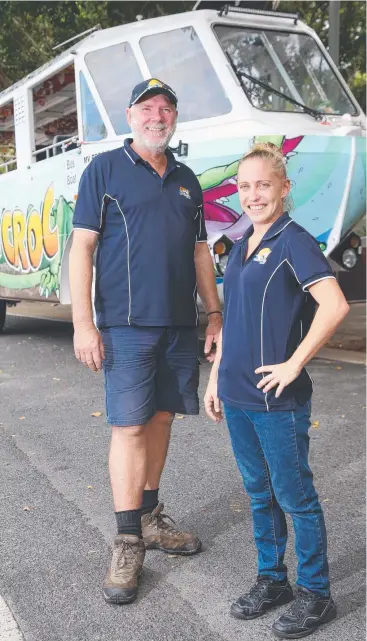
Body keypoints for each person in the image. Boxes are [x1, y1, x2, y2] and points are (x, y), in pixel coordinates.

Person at [69, 78, 222, 604]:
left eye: (167, 109)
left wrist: (215, 313)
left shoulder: (186, 180)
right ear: (131, 116)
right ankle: (128, 537)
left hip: (180, 324)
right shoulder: (104, 171)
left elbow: (201, 251)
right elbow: (82, 249)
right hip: (126, 327)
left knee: (161, 419)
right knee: (129, 427)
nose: (158, 116)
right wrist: (83, 324)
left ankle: (152, 516)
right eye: (148, 108)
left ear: (174, 118)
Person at [204, 142, 349, 639]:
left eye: (263, 184)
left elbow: (333, 306)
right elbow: (234, 323)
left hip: (276, 401)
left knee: (295, 496)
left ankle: (316, 593)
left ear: (284, 188)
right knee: (258, 493)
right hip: (239, 397)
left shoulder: (294, 240)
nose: (252, 194)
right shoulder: (241, 242)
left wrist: (293, 363)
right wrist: (215, 376)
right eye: (244, 186)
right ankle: (273, 581)